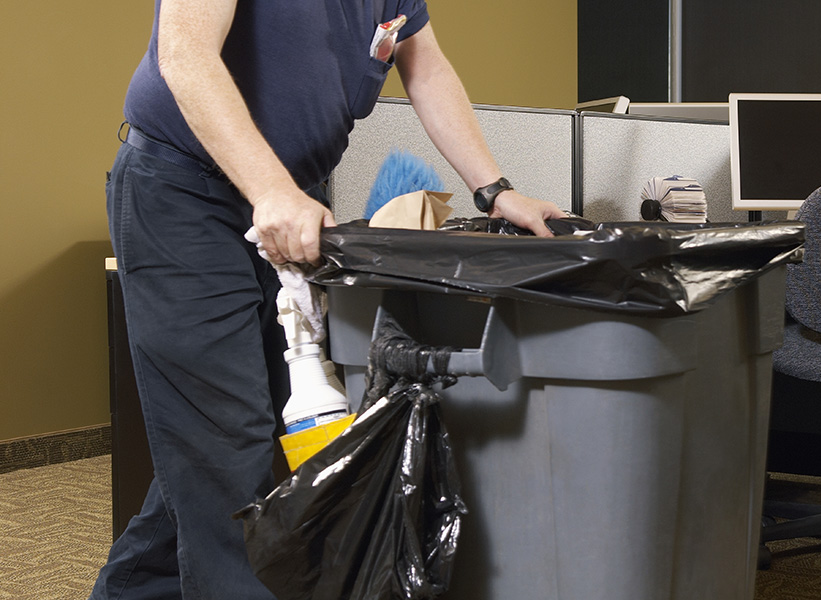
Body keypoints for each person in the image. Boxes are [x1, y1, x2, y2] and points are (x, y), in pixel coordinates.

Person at [91, 0, 566, 598]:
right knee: (225, 445)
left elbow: (426, 68)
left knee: (228, 442)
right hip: (187, 193)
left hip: (291, 204)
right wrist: (271, 191)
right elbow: (184, 56)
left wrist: (495, 191)